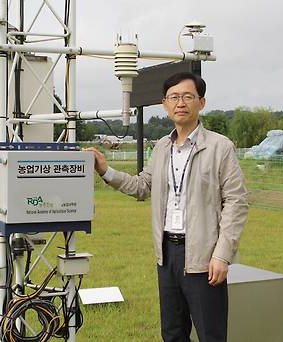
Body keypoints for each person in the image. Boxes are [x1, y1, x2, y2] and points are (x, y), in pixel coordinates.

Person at [86, 72, 248, 342]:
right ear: (165, 104)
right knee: (172, 333)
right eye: (174, 97)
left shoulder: (220, 147)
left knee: (211, 334)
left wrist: (222, 255)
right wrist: (105, 170)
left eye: (187, 96)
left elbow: (236, 201)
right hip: (167, 254)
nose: (180, 103)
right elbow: (142, 186)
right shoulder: (162, 147)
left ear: (201, 102)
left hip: (204, 256)